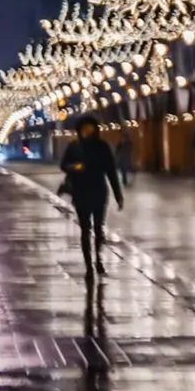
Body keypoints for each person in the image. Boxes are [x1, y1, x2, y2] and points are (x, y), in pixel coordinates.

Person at [60, 118, 123, 275]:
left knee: (98, 229)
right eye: (84, 128)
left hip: (99, 192)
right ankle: (89, 264)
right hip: (80, 192)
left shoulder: (102, 147)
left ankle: (98, 259)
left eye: (90, 128)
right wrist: (74, 167)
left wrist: (118, 194)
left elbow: (111, 172)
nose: (87, 131)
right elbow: (63, 165)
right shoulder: (74, 147)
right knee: (85, 230)